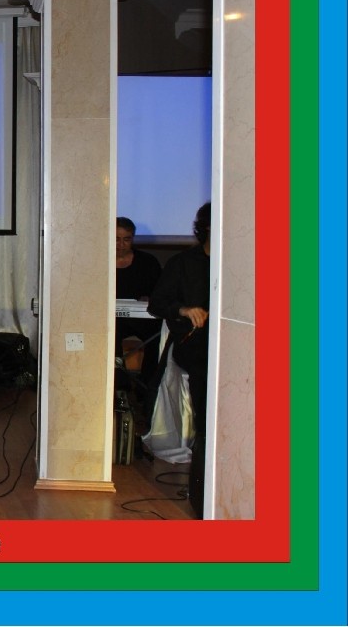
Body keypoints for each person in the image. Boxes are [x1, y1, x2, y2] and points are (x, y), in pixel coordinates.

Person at [148, 202, 211, 516]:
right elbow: (157, 304)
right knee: (207, 418)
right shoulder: (183, 263)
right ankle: (203, 491)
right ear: (207, 228)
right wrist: (185, 310)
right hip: (197, 349)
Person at [115, 216, 162, 409]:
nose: (121, 245)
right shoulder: (99, 261)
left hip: (142, 318)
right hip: (113, 319)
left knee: (158, 336)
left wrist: (150, 297)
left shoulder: (147, 262)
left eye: (126, 239)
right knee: (108, 335)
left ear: (133, 239)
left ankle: (147, 389)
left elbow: (160, 291)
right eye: (116, 239)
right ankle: (120, 387)